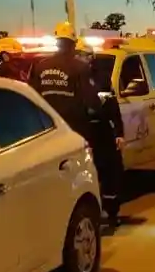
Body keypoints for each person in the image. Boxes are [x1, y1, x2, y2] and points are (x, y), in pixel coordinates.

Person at [29, 22, 126, 229]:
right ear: (72, 44)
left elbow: (33, 99)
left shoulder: (41, 67)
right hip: (76, 133)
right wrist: (105, 123)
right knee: (82, 177)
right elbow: (91, 102)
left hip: (46, 133)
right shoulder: (80, 69)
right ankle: (85, 218)